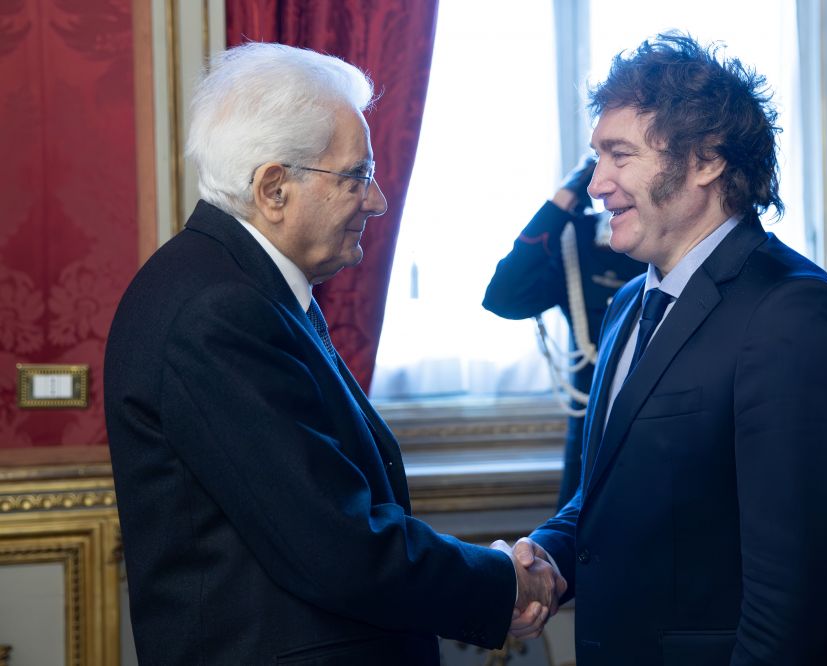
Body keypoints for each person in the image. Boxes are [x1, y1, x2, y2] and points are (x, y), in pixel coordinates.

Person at [104, 42, 563, 665]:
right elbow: (337, 547)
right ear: (273, 188)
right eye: (356, 176)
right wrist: (503, 579)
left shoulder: (233, 285)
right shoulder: (220, 311)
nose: (376, 201)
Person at [505, 32, 827, 664]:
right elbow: (617, 492)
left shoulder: (795, 315)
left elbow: (795, 603)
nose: (597, 183)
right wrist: (547, 552)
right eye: (597, 157)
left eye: (619, 155)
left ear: (706, 161)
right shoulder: (629, 304)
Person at [483, 156, 645, 508]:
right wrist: (560, 203)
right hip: (589, 433)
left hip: (652, 434)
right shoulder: (577, 241)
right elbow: (503, 297)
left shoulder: (661, 245)